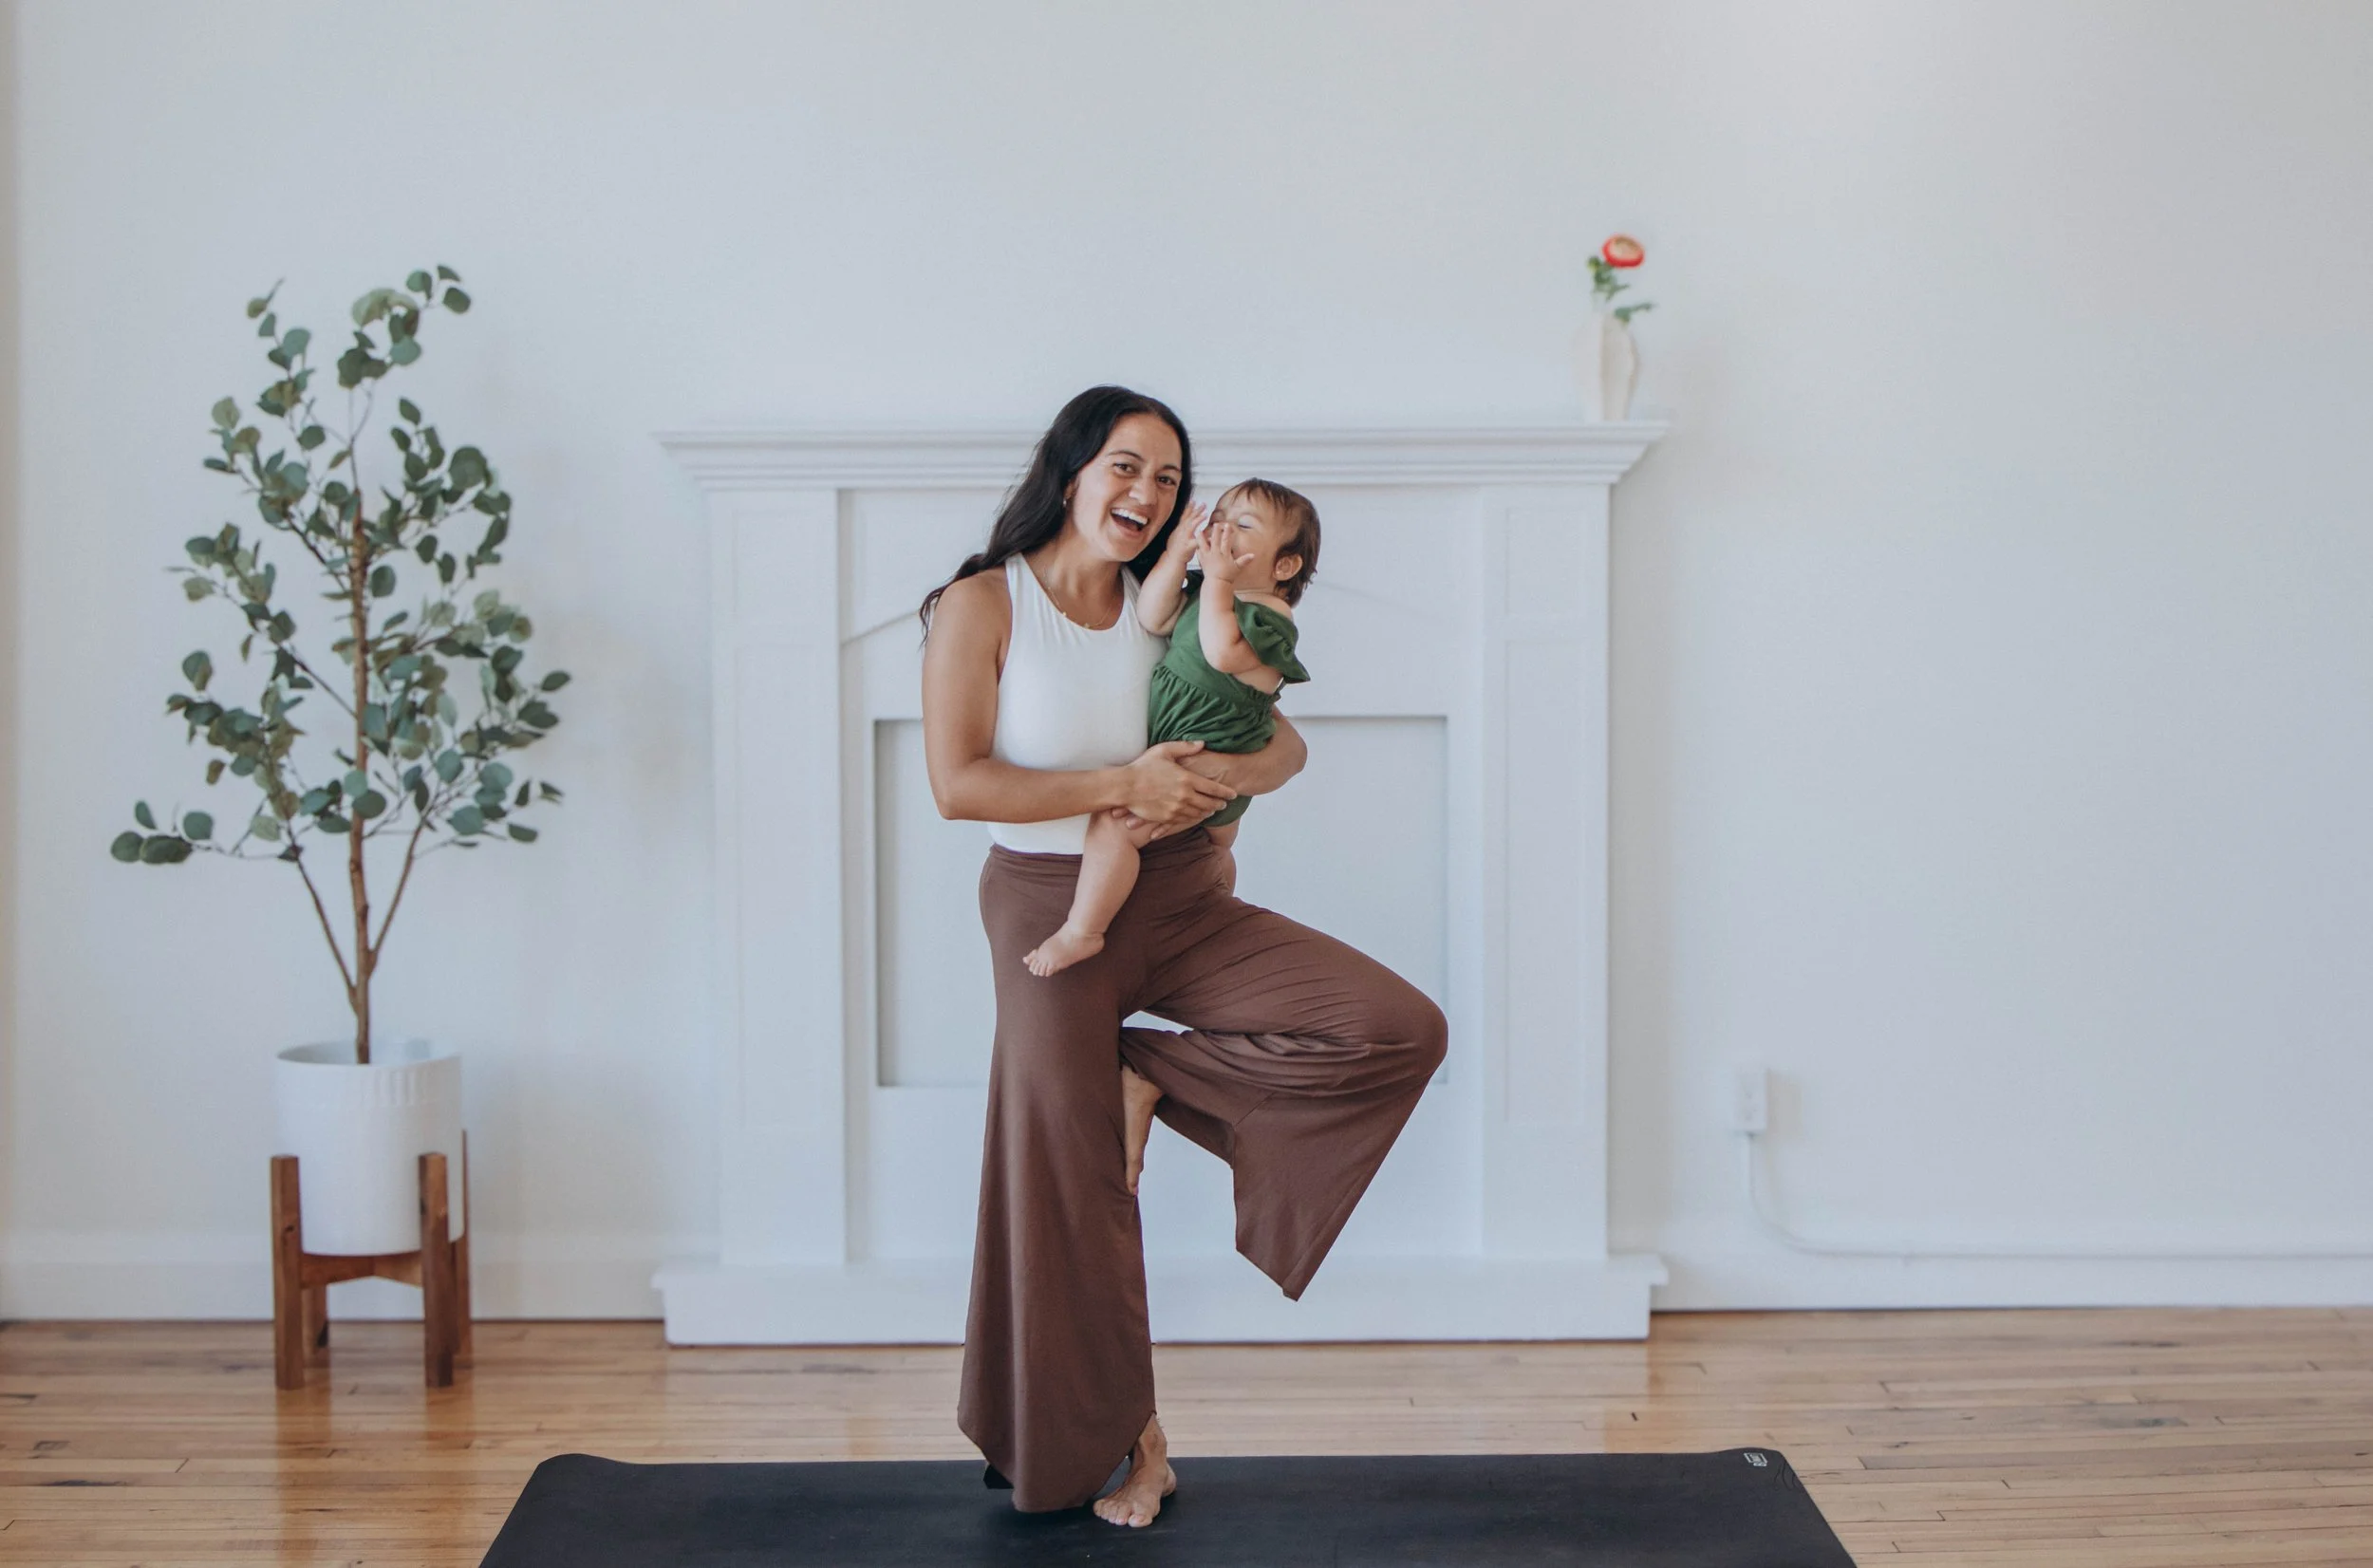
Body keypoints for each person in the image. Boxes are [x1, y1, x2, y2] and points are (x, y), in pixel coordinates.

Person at [919, 385, 1445, 1528]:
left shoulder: (1171, 603)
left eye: (1165, 477)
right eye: (1124, 467)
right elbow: (958, 784)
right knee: (1077, 1195)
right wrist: (1125, 782)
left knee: (1396, 1026)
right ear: (1071, 471)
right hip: (1051, 912)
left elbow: (1281, 736)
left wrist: (1244, 775)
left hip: (1189, 897)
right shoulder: (982, 603)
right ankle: (1131, 1451)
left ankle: (1152, 1072)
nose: (1145, 494)